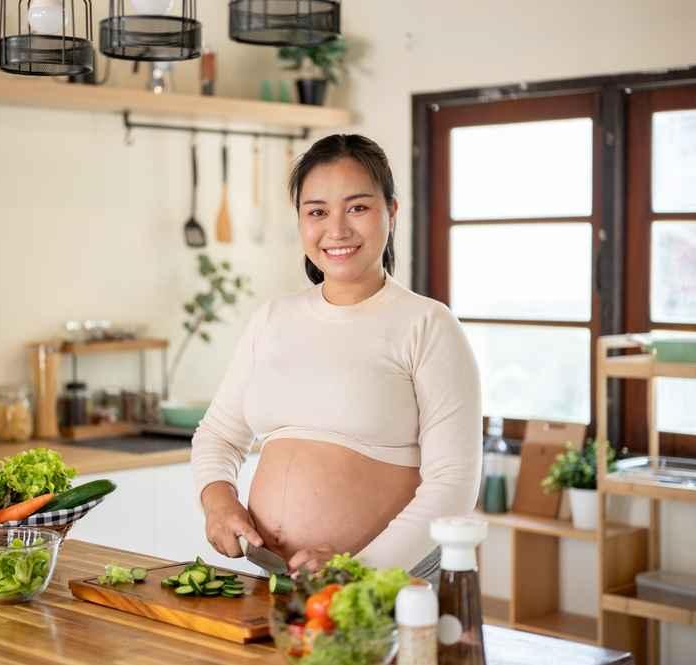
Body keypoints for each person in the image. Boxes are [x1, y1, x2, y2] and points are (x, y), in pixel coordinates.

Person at [191, 134, 482, 581]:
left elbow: (454, 484)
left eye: (358, 208)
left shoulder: (428, 325)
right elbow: (218, 436)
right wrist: (219, 502)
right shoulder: (272, 319)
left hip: (384, 587)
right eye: (317, 212)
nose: (337, 229)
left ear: (392, 212)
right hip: (274, 578)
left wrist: (357, 571)